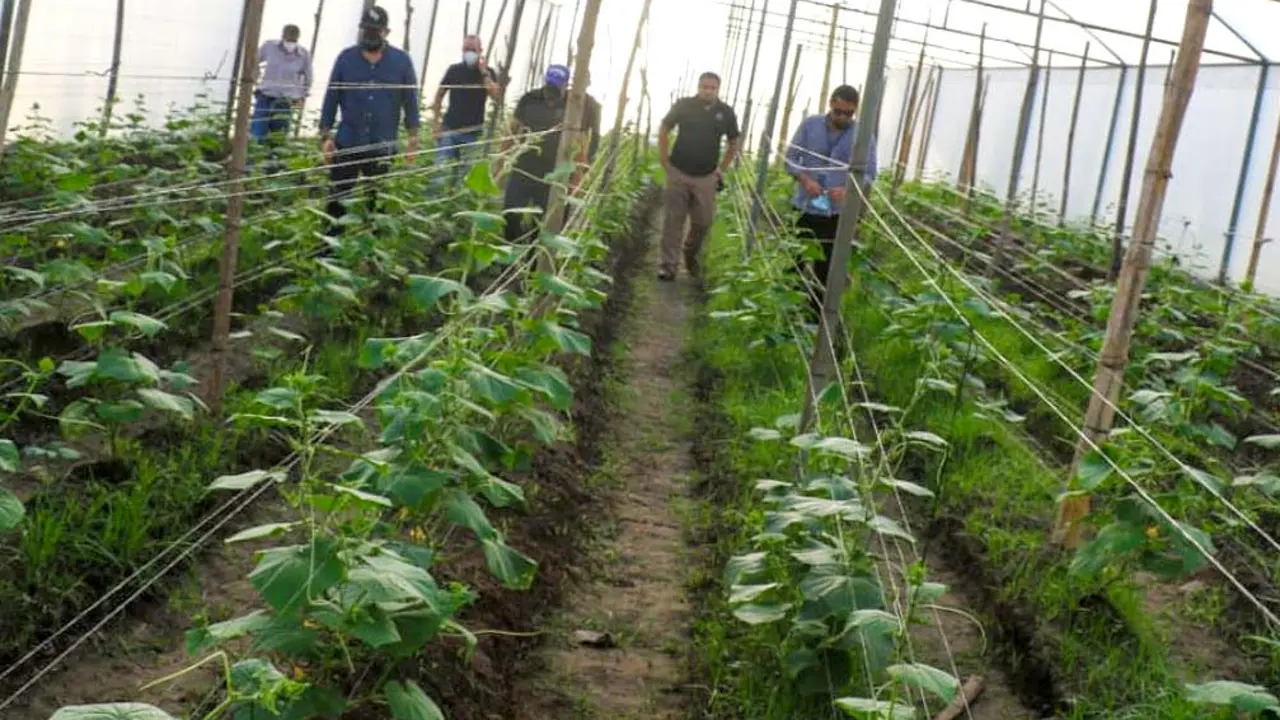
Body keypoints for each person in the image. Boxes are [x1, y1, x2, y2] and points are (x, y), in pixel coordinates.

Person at [318, 5, 420, 229]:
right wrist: (325, 136)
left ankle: (369, 256)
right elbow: (331, 97)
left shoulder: (401, 62)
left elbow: (411, 100)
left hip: (382, 145)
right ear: (360, 30)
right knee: (337, 199)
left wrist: (413, 139)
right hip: (348, 143)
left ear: (386, 32)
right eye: (366, 30)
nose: (370, 34)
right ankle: (328, 252)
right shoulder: (346, 59)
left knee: (376, 201)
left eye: (375, 30)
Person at [784, 84, 877, 317]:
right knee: (794, 259)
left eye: (848, 113)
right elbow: (791, 158)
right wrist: (805, 180)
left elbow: (870, 173)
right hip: (805, 206)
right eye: (838, 111)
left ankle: (815, 316)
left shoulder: (863, 135)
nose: (843, 117)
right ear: (831, 104)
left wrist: (848, 189)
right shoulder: (809, 126)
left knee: (826, 266)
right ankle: (786, 309)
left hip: (836, 213)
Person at [498, 64, 600, 245]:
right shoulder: (529, 99)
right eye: (549, 85)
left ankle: (532, 260)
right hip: (523, 168)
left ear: (565, 86)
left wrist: (578, 177)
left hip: (553, 176)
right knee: (511, 213)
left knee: (544, 224)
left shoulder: (573, 107)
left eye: (556, 86)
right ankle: (511, 253)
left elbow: (581, 143)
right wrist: (500, 161)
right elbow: (512, 130)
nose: (551, 91)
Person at [657, 72, 740, 281]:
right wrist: (664, 159)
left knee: (703, 222)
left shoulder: (726, 112)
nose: (708, 91)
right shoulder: (684, 105)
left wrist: (721, 168)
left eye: (712, 88)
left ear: (718, 90)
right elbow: (665, 128)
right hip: (679, 171)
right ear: (698, 87)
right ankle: (668, 266)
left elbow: (733, 142)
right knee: (673, 221)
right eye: (704, 87)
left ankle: (690, 251)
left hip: (706, 177)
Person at [431, 35, 501, 185]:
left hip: (472, 134)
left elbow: (496, 96)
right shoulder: (454, 70)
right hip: (449, 130)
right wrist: (436, 123)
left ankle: (455, 207)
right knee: (439, 175)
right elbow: (439, 96)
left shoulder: (488, 73)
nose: (469, 53)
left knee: (464, 180)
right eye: (466, 49)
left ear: (481, 51)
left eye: (473, 50)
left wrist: (484, 72)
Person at [251, 25, 312, 141]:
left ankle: (274, 158)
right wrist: (255, 79)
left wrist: (302, 95)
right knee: (258, 132)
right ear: (282, 35)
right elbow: (254, 61)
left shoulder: (303, 55)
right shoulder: (269, 46)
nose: (290, 40)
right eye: (288, 37)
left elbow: (308, 77)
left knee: (279, 135)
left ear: (298, 38)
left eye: (293, 38)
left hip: (286, 100)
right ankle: (253, 158)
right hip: (266, 95)